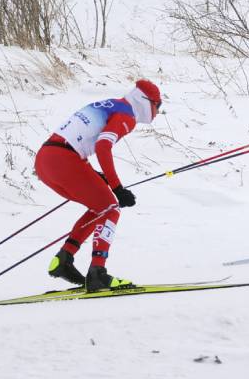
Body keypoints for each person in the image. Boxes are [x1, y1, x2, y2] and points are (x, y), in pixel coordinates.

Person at [35, 79, 161, 291]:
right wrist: (117, 187)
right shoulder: (127, 115)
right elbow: (103, 146)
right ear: (146, 102)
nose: (157, 113)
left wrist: (97, 176)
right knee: (111, 207)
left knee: (100, 207)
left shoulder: (112, 104)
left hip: (46, 160)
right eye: (158, 106)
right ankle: (97, 273)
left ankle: (63, 260)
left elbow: (79, 138)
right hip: (64, 159)